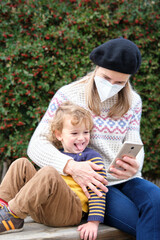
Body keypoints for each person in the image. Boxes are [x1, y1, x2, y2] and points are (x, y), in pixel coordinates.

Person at [27, 37, 160, 240]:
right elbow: (36, 145)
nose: (112, 85)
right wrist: (71, 166)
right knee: (139, 220)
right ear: (97, 67)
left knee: (156, 199)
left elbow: (135, 141)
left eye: (120, 82)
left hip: (125, 178)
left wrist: (135, 163)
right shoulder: (68, 95)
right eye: (106, 78)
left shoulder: (133, 101)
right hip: (94, 184)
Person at [0, 102, 107, 240]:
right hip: (43, 210)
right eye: (74, 133)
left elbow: (99, 190)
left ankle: (12, 215)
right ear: (59, 135)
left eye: (86, 132)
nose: (81, 138)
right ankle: (2, 207)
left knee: (48, 172)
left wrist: (93, 222)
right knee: (21, 164)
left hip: (69, 212)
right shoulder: (57, 155)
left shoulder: (92, 158)